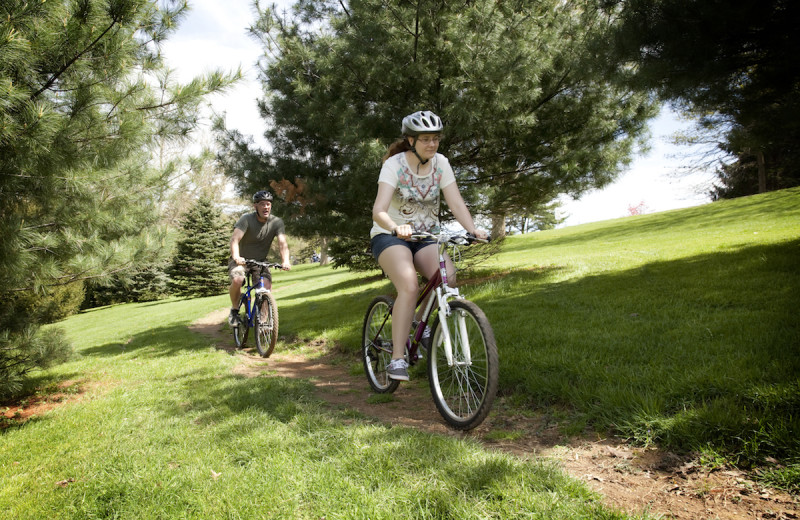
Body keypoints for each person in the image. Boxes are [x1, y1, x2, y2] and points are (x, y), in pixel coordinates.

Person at [370, 111, 488, 381]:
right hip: (389, 236)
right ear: (410, 140)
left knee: (449, 274)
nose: (432, 145)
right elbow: (379, 210)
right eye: (425, 139)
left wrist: (472, 230)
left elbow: (456, 202)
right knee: (409, 285)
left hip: (426, 236)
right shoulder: (394, 165)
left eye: (435, 139)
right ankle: (397, 359)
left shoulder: (441, 164)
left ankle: (422, 327)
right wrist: (395, 227)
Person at [228, 190, 292, 326]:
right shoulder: (246, 219)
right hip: (241, 260)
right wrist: (236, 257)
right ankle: (234, 311)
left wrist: (285, 260)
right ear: (255, 206)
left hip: (260, 262)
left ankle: (263, 322)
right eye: (262, 204)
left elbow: (282, 243)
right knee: (238, 279)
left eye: (268, 204)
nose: (266, 207)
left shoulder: (276, 222)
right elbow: (235, 239)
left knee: (266, 288)